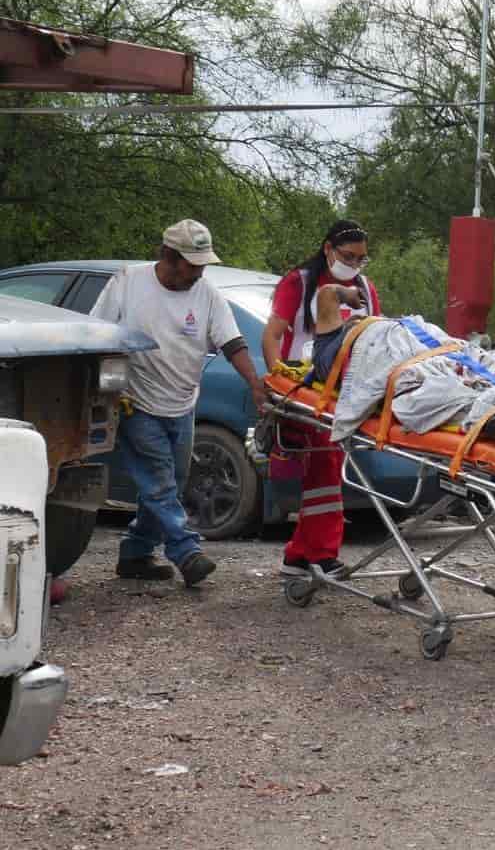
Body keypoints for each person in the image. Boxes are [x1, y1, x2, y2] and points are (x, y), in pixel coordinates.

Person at [90, 219, 264, 587]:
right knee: (158, 483)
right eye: (192, 264)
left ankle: (135, 553)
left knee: (174, 480)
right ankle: (186, 551)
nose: (199, 272)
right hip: (135, 402)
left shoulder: (207, 294)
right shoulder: (128, 283)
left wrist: (256, 384)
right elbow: (96, 334)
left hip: (182, 404)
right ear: (168, 255)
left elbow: (232, 343)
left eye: (203, 265)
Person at [261, 220, 380, 578]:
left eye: (361, 259)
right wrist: (279, 385)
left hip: (346, 393)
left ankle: (298, 555)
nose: (355, 265)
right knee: (325, 468)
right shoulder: (299, 283)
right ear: (328, 249)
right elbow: (272, 336)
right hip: (306, 390)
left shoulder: (365, 289)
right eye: (348, 256)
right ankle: (323, 554)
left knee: (322, 470)